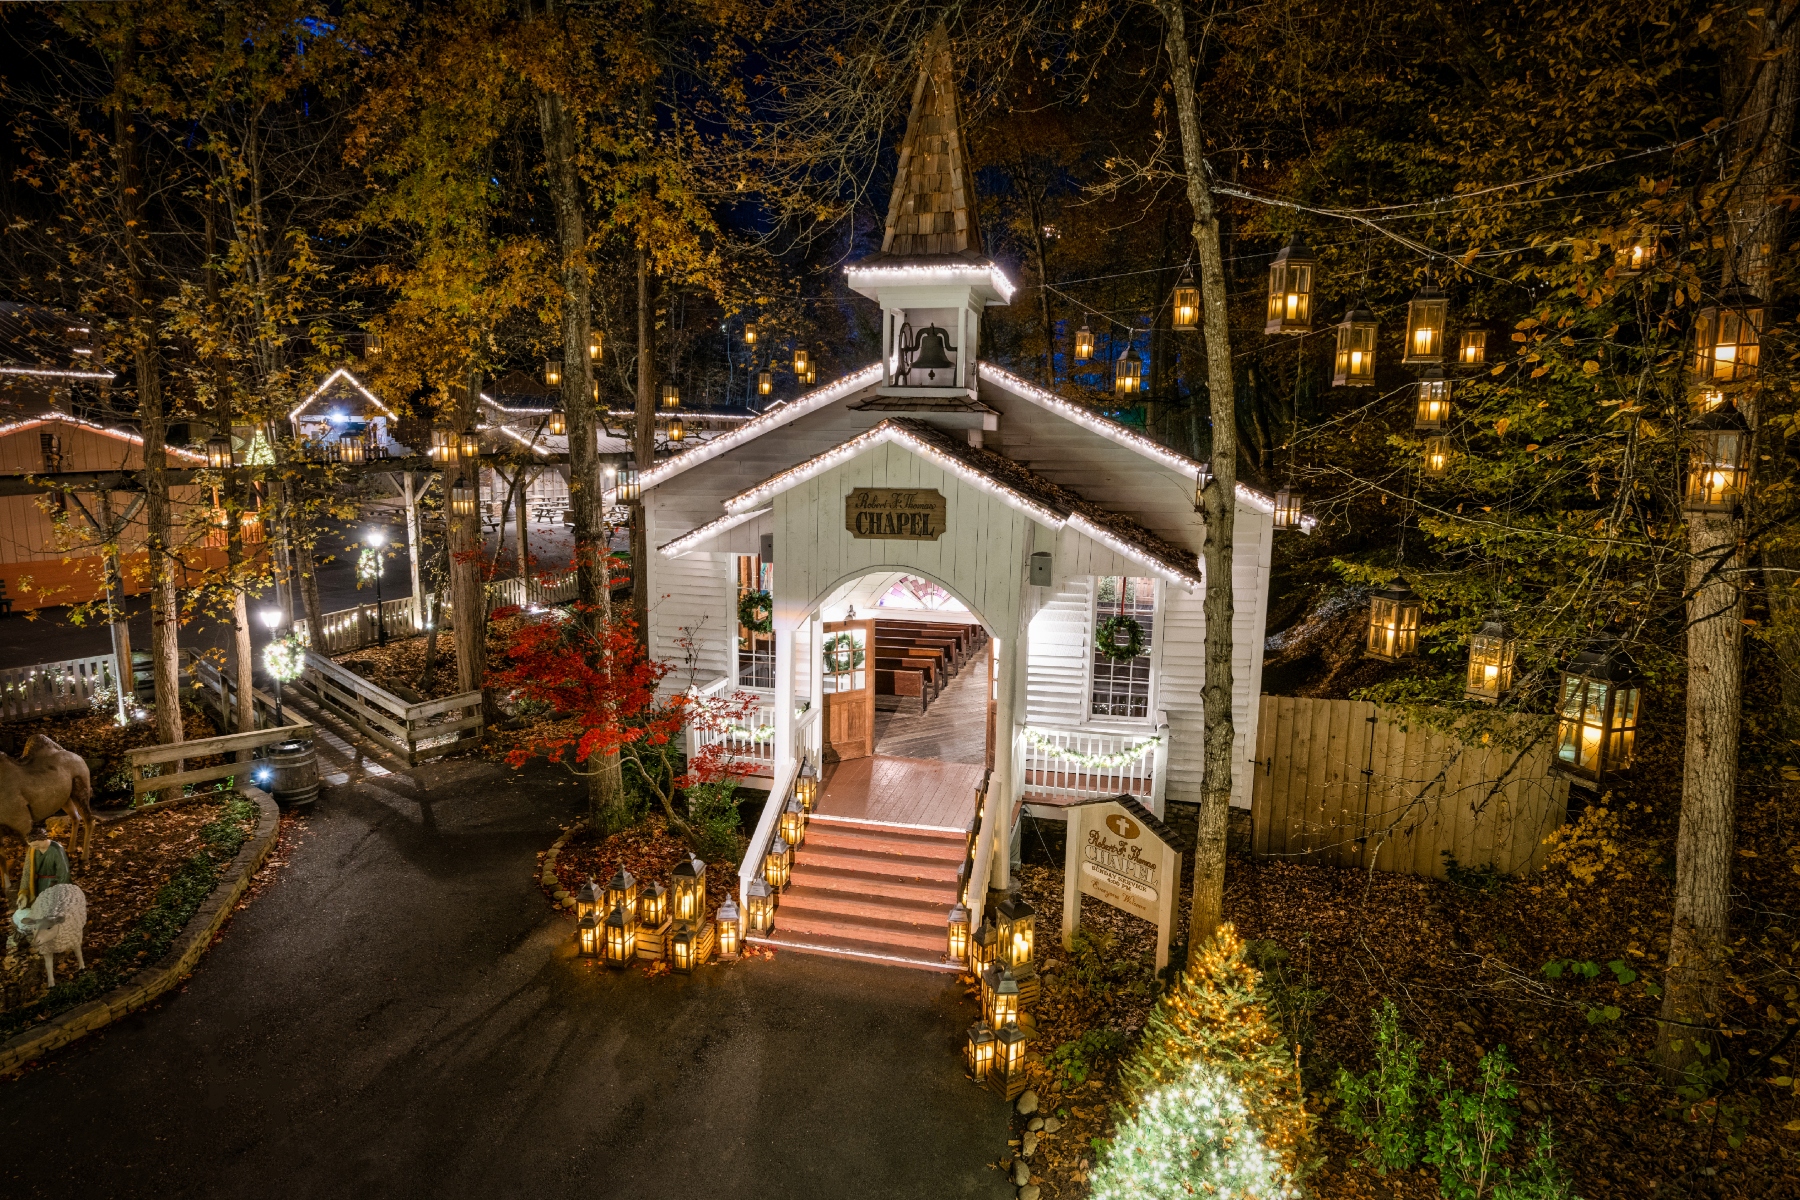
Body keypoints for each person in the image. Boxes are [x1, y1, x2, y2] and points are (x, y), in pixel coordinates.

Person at [18, 836, 70, 908]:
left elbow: (64, 874)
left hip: (54, 885)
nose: (33, 847)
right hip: (38, 886)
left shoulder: (57, 849)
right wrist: (23, 893)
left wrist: (60, 894)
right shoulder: (32, 849)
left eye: (36, 845)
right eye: (31, 845)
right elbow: (27, 871)